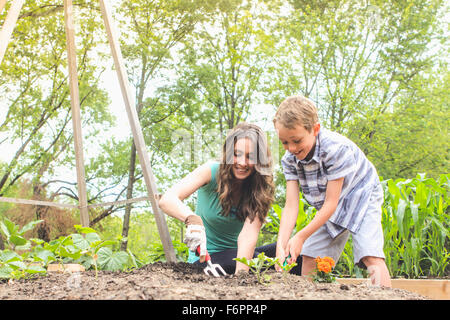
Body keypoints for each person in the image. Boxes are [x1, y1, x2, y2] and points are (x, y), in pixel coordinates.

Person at [273, 95, 391, 287]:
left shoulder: (334, 149)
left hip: (362, 195)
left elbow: (331, 204)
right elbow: (291, 205)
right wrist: (281, 245)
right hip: (329, 206)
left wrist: (300, 236)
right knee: (311, 256)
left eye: (296, 140)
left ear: (315, 129)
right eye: (284, 142)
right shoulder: (289, 160)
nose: (291, 148)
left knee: (370, 255)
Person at [159, 122, 301, 275]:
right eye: (236, 154)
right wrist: (191, 219)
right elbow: (167, 199)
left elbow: (248, 237)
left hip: (239, 256)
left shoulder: (260, 189)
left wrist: (241, 276)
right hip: (206, 260)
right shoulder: (211, 171)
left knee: (294, 251)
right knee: (236, 259)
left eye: (250, 156)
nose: (242, 162)